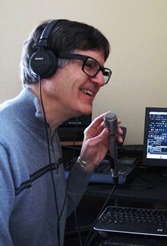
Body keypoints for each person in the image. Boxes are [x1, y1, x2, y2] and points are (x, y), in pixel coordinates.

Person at [0, 19, 123, 245]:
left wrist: (86, 162)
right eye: (89, 65)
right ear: (43, 64)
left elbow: (54, 214)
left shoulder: (49, 132)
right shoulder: (4, 145)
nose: (99, 80)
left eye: (102, 71)